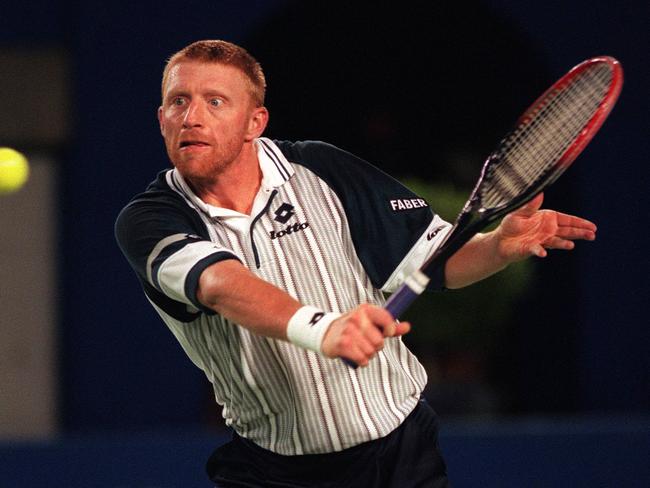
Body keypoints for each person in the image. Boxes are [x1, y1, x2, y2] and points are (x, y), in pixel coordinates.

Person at [115, 40, 597, 487]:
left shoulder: (323, 170)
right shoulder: (150, 220)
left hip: (400, 457)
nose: (192, 117)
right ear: (161, 118)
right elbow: (220, 283)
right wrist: (322, 329)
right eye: (179, 101)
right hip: (273, 471)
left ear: (254, 122)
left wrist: (496, 247)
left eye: (215, 101)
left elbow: (433, 264)